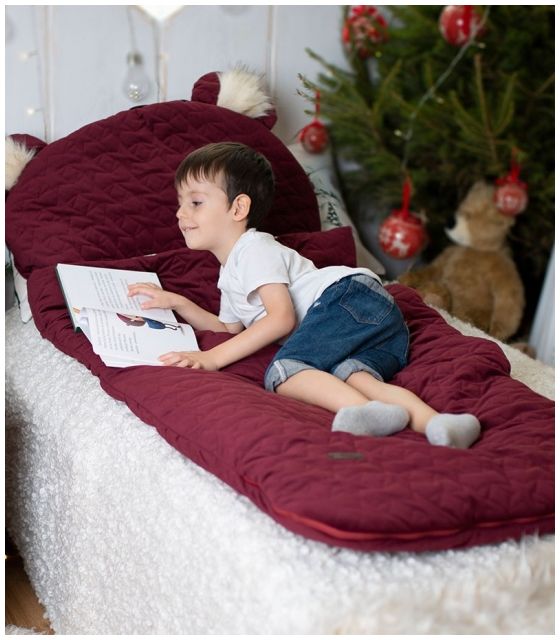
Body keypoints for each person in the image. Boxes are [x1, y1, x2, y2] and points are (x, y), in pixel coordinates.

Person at [128, 142, 480, 448]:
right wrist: (177, 302)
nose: (180, 213)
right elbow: (229, 330)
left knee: (285, 371)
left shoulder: (253, 249)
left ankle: (361, 412)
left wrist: (212, 359)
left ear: (238, 209)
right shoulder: (231, 271)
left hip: (345, 298)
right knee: (354, 375)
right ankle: (439, 424)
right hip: (373, 317)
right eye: (180, 203)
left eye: (195, 202)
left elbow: (281, 319)